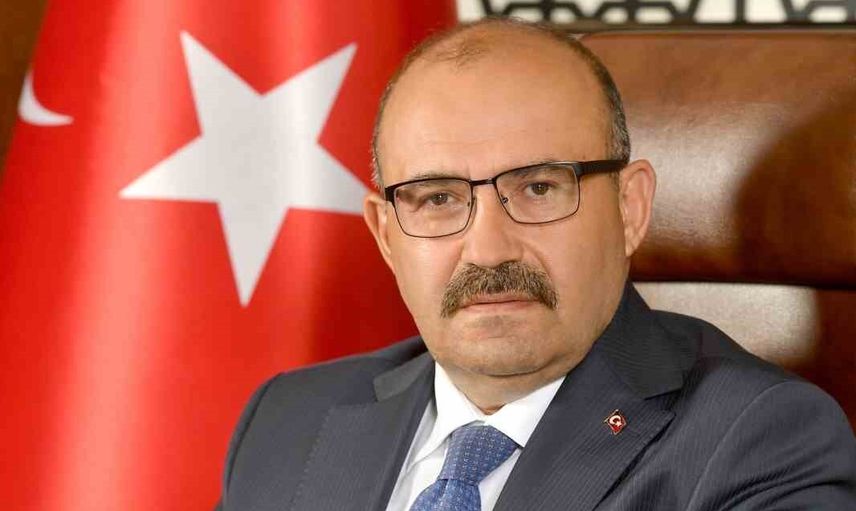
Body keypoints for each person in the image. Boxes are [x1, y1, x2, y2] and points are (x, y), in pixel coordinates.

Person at [215, 18, 856, 511]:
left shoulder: (760, 440)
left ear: (631, 208)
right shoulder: (288, 421)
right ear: (386, 235)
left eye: (539, 188)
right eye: (437, 199)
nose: (489, 249)